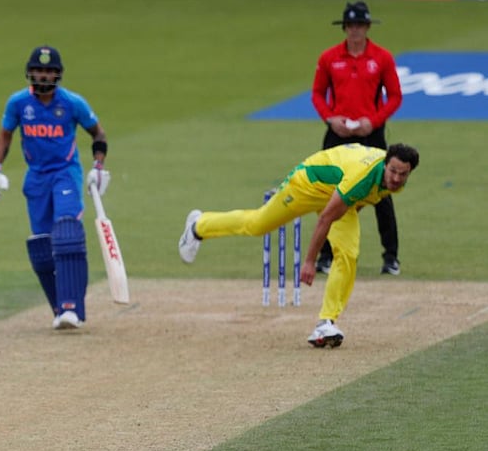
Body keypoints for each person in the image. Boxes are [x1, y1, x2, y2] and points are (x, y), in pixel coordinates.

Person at [177, 143, 420, 348]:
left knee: (347, 253)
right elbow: (326, 217)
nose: (397, 178)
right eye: (393, 172)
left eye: (403, 174)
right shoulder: (363, 176)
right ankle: (200, 225)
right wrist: (309, 261)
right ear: (385, 164)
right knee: (258, 224)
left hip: (338, 194)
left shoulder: (392, 182)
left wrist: (348, 213)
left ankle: (326, 323)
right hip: (307, 184)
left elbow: (361, 199)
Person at [0, 45, 110, 330]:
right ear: (30, 73)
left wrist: (98, 168)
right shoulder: (18, 104)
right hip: (36, 177)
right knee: (42, 245)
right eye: (39, 70)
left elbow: (97, 133)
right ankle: (57, 308)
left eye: (49, 71)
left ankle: (72, 307)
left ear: (58, 75)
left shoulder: (72, 103)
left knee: (66, 232)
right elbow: (4, 136)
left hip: (66, 174)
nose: (43, 76)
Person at [312, 1, 403, 276]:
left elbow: (395, 96)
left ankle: (391, 258)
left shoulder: (382, 57)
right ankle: (325, 256)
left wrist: (372, 122)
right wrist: (330, 118)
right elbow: (318, 94)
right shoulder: (329, 57)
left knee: (382, 193)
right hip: (338, 133)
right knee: (330, 194)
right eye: (351, 25)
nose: (355, 30)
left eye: (360, 25)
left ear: (367, 27)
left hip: (370, 134)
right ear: (345, 28)